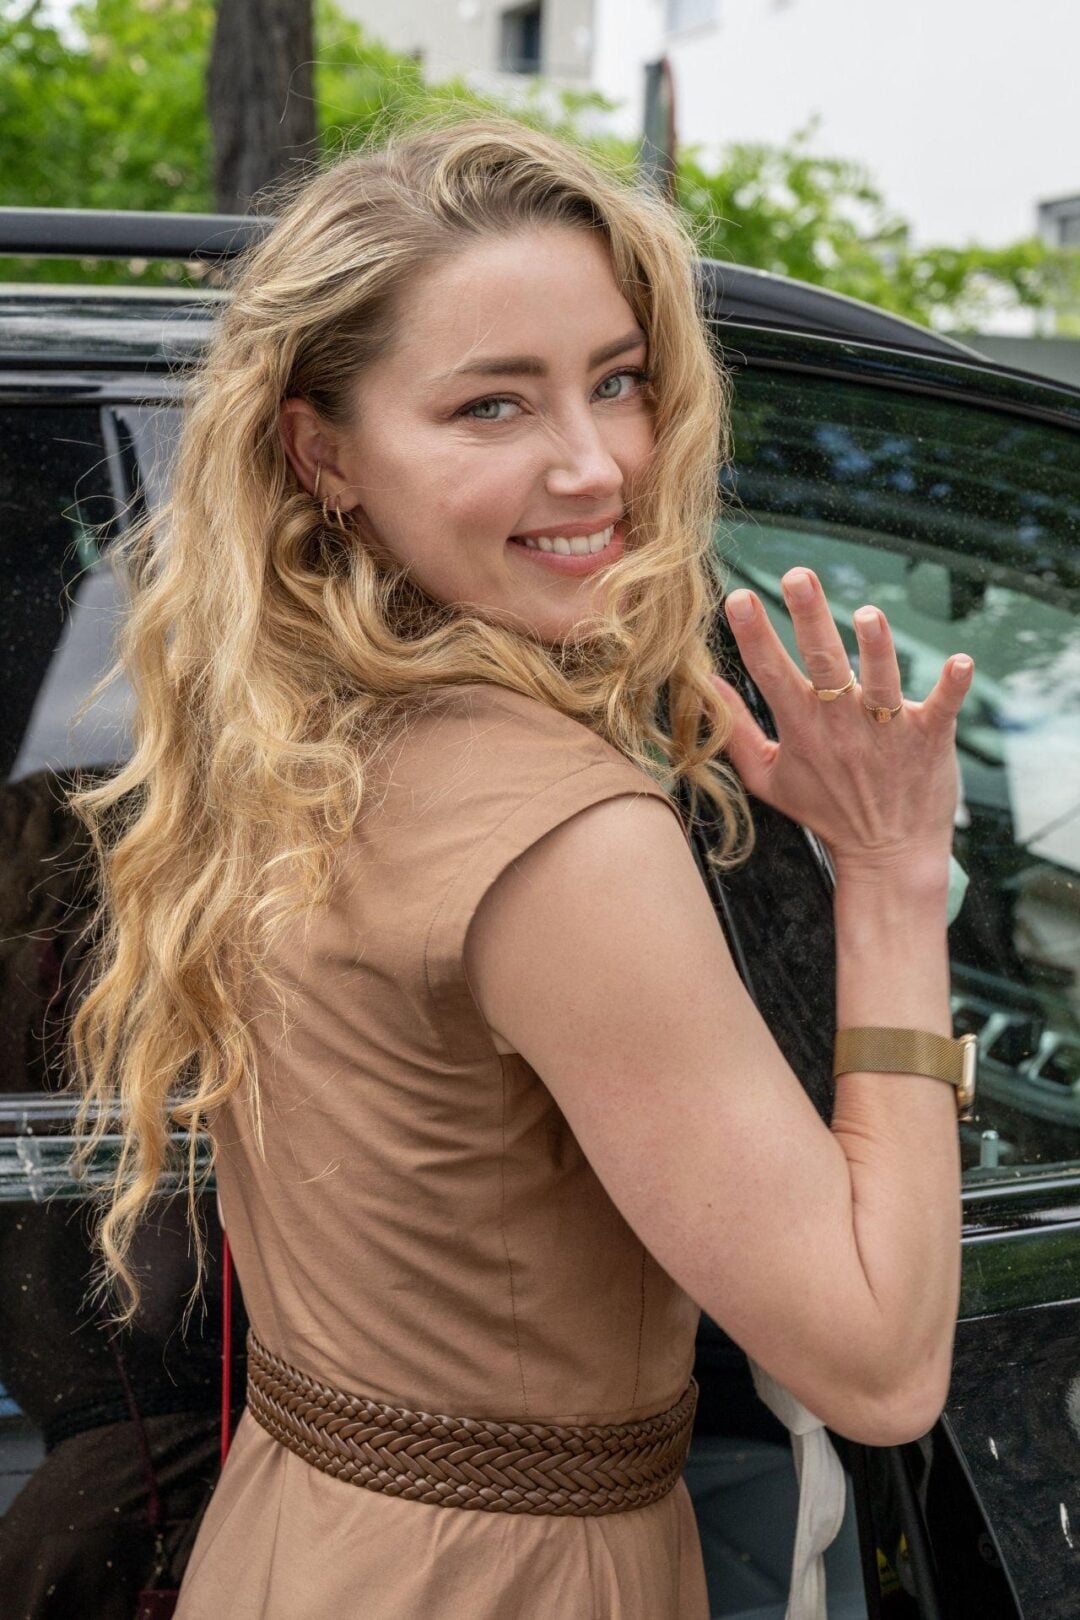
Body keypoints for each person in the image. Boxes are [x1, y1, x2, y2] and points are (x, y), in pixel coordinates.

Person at [67, 115, 974, 1620]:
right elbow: (879, 1364)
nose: (595, 463)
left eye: (618, 382)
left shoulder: (287, 743)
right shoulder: (567, 839)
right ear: (322, 451)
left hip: (300, 1542)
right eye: (492, 406)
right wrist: (886, 871)